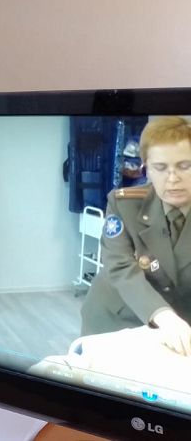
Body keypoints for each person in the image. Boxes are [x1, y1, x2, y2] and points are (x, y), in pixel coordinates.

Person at [81, 116, 191, 356]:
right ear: (146, 169)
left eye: (184, 166)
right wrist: (164, 317)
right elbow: (120, 266)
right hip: (118, 319)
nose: (173, 178)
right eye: (160, 168)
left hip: (182, 327)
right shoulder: (124, 204)